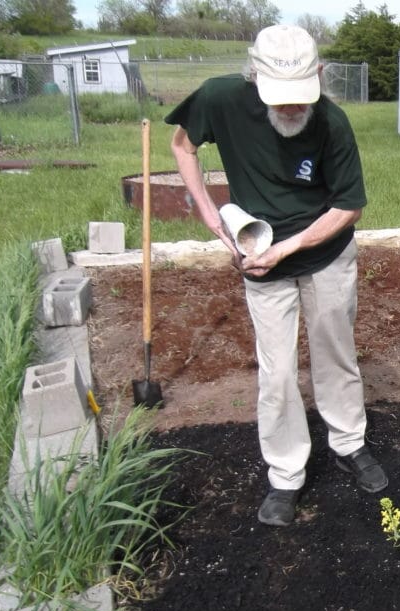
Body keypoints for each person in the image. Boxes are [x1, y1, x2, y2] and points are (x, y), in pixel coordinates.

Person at [165, 24, 388, 527]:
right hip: (258, 254)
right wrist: (206, 210)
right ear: (254, 77)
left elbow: (349, 206)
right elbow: (183, 144)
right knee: (278, 371)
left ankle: (349, 443)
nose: (290, 109)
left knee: (336, 353)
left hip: (325, 254)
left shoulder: (332, 123)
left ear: (321, 76)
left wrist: (289, 247)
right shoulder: (221, 98)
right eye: (279, 99)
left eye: (299, 98)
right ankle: (286, 473)